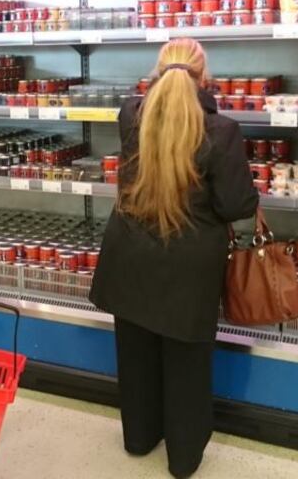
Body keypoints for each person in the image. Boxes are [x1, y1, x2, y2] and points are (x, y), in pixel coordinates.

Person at [89, 38, 258, 478]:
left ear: (158, 72)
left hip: (129, 255)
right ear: (205, 79)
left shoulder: (132, 115)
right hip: (187, 267)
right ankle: (183, 460)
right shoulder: (221, 132)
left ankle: (139, 439)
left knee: (136, 356)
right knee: (187, 367)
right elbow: (236, 205)